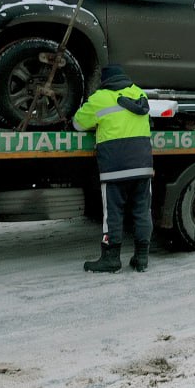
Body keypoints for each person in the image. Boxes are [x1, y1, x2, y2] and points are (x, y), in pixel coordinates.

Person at [73, 65, 154, 273]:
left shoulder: (101, 98)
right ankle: (142, 258)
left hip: (115, 167)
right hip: (143, 165)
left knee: (114, 214)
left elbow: (78, 123)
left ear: (105, 81)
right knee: (142, 211)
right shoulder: (139, 93)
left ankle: (111, 258)